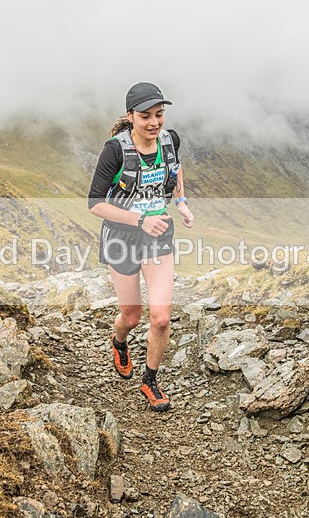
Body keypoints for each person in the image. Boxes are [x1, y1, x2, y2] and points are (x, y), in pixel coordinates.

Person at [88, 82, 195, 412]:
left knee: (161, 318)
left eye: (159, 115)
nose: (154, 123)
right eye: (145, 116)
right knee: (131, 316)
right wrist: (138, 220)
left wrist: (180, 201)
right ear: (131, 116)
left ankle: (150, 381)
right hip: (121, 239)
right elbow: (94, 203)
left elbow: (175, 169)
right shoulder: (115, 150)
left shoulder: (170, 140)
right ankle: (119, 342)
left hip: (159, 236)